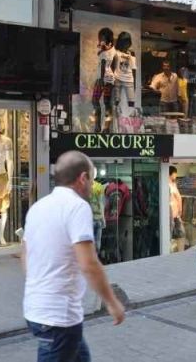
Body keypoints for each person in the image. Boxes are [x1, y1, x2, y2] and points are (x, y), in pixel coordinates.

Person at [22, 151, 125, 361]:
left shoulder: (38, 207)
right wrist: (112, 302)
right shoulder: (77, 207)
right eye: (92, 179)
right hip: (59, 318)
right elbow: (89, 264)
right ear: (83, 178)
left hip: (36, 309)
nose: (92, 185)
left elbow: (25, 255)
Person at [169, 166, 186, 252]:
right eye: (175, 174)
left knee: (181, 233)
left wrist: (180, 210)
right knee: (176, 233)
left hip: (176, 214)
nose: (176, 176)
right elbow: (177, 197)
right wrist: (180, 210)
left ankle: (180, 251)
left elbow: (178, 198)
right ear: (171, 174)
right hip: (172, 214)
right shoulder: (168, 185)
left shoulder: (173, 184)